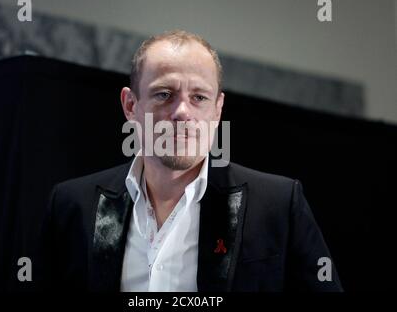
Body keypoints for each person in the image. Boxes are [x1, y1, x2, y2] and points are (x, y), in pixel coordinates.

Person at [37, 30, 342, 292]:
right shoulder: (72, 205)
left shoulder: (277, 205)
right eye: (164, 94)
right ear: (131, 105)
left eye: (199, 97)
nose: (182, 112)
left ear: (217, 109)